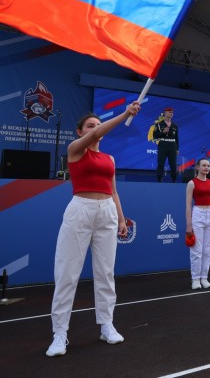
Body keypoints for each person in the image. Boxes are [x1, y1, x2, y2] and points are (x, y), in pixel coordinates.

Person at [46, 101, 141, 357]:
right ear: (80, 132)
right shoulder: (75, 150)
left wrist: (121, 219)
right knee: (67, 274)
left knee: (105, 272)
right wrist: (125, 113)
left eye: (97, 125)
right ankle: (59, 333)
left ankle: (106, 325)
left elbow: (113, 191)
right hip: (80, 210)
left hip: (107, 211)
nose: (95, 129)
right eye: (90, 126)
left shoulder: (109, 159)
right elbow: (97, 134)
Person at [186, 158, 210, 290]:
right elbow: (188, 206)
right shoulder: (192, 183)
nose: (206, 168)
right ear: (197, 167)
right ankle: (195, 279)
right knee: (196, 250)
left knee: (208, 250)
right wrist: (189, 224)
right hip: (198, 214)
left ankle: (204, 278)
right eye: (204, 165)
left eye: (208, 166)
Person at [153, 107, 179, 182]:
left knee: (173, 164)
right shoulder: (158, 124)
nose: (171, 113)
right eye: (169, 112)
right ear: (165, 113)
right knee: (161, 163)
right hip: (163, 144)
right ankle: (159, 179)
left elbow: (176, 138)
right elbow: (155, 136)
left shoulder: (175, 125)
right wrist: (163, 132)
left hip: (172, 145)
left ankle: (174, 179)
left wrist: (177, 148)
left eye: (172, 112)